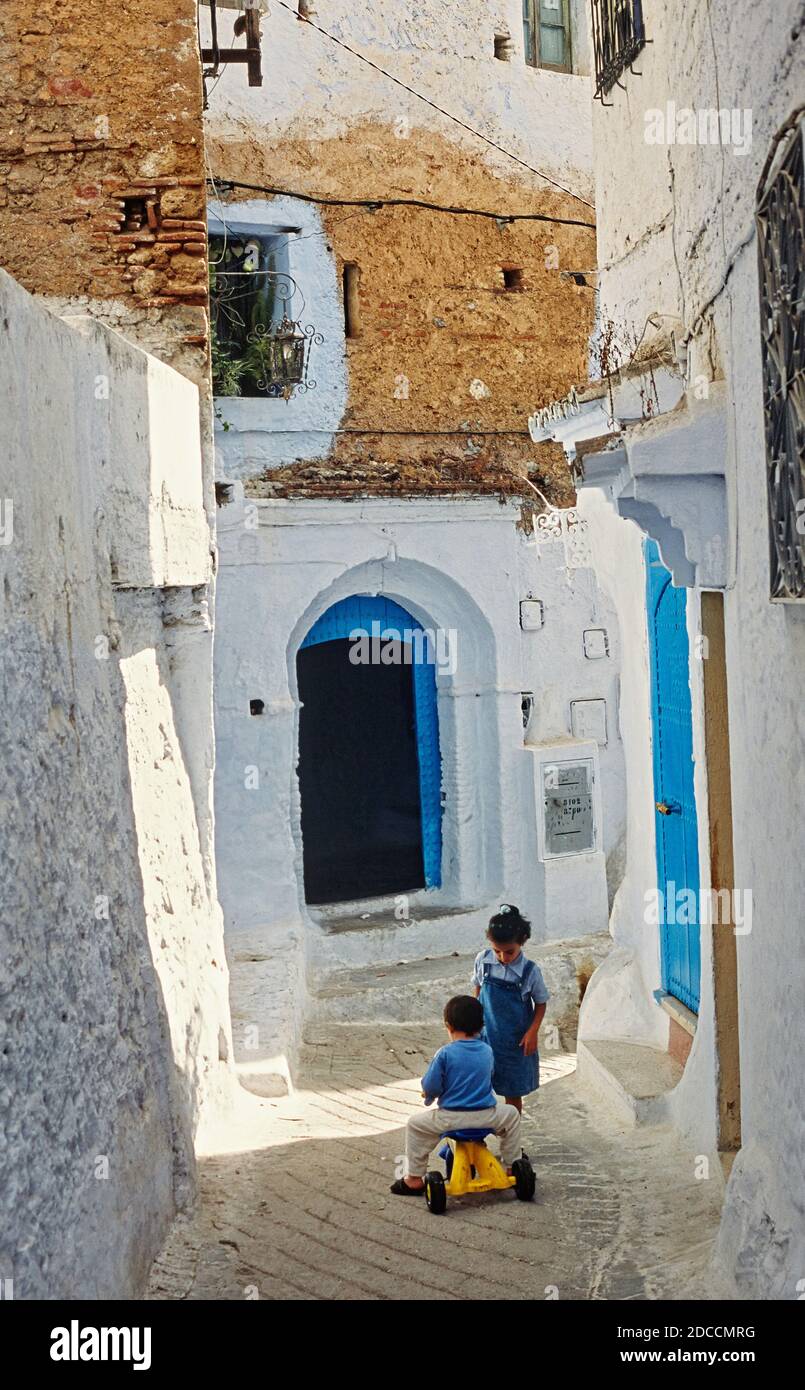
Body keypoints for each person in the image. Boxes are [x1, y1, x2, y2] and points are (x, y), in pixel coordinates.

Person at [390, 994, 521, 1195]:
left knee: (415, 1125)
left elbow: (432, 1085)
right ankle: (513, 1164)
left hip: (452, 1119)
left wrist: (429, 1094)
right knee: (512, 1114)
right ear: (480, 1026)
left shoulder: (444, 1053)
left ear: (448, 1026)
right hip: (487, 1116)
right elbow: (490, 1076)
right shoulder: (487, 1051)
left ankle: (414, 1178)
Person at [472, 904, 549, 1113]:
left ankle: (512, 1135)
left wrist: (532, 1032)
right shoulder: (483, 961)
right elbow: (477, 990)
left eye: (509, 952)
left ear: (521, 941)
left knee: (512, 1092)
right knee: (480, 1085)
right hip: (487, 1036)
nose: (503, 958)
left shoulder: (530, 971)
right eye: (497, 951)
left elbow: (541, 1003)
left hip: (516, 1042)